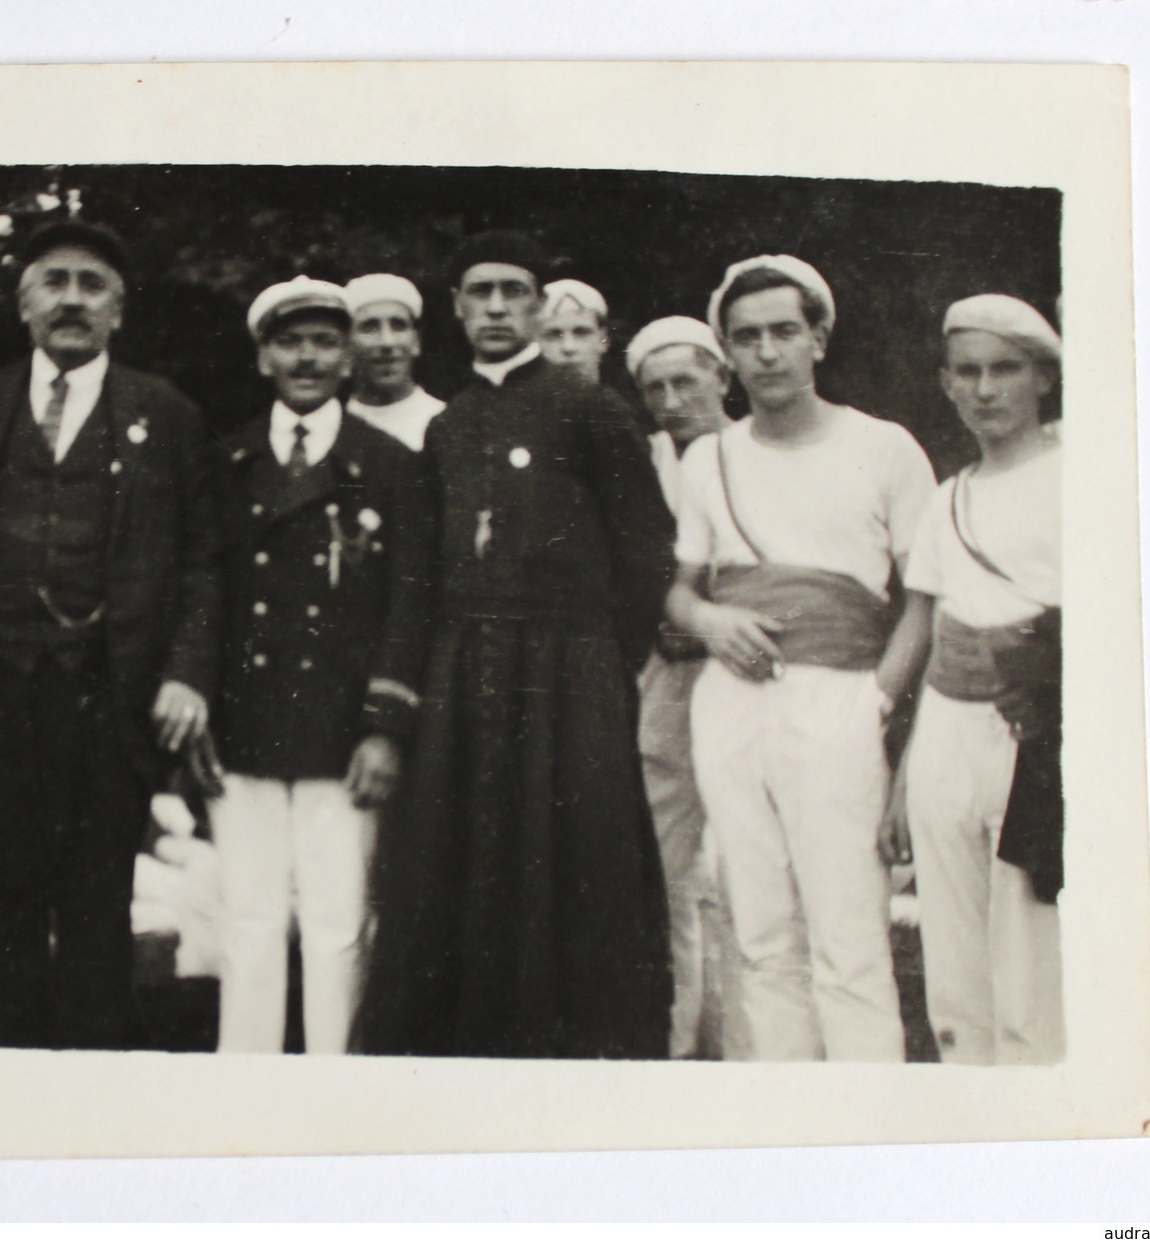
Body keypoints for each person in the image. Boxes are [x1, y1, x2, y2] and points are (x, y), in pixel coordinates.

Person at [0, 218, 223, 1050]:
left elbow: (203, 563)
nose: (73, 299)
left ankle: (92, 1088)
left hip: (109, 699)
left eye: (92, 284)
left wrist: (185, 673)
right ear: (24, 301)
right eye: (55, 281)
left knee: (97, 899)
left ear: (119, 310)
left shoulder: (165, 414)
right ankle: (6, 1078)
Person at [356, 230, 676, 1060]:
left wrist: (601, 661)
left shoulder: (592, 409)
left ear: (539, 306)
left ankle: (579, 1046)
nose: (496, 307)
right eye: (479, 293)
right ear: (457, 310)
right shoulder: (448, 427)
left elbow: (646, 551)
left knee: (573, 854)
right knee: (461, 857)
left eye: (513, 291)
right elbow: (419, 577)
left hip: (571, 672)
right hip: (463, 675)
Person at [666, 255, 937, 1061]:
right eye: (746, 338)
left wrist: (877, 702)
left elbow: (926, 597)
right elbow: (676, 592)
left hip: (839, 702)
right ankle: (784, 1130)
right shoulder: (705, 460)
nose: (767, 352)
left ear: (818, 338)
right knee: (759, 932)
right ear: (726, 354)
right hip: (729, 707)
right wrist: (712, 621)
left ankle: (867, 1133)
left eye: (784, 331)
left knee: (847, 938)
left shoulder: (883, 448)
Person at [207, 277, 437, 1054]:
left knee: (338, 924)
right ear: (262, 356)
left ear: (346, 359)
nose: (306, 357)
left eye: (323, 342)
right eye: (289, 341)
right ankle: (247, 1096)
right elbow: (202, 595)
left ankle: (336, 1091)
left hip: (341, 732)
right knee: (248, 919)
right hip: (242, 725)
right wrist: (197, 709)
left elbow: (409, 608)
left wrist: (384, 726)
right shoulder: (225, 461)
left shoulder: (390, 465)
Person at [887, 294, 1064, 1065]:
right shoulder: (944, 499)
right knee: (954, 962)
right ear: (947, 385)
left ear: (1042, 380)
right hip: (947, 732)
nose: (985, 390)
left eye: (1004, 369)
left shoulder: (1079, 476)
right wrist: (904, 772)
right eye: (968, 373)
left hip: (1036, 730)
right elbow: (927, 630)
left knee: (1029, 949)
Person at [624, 315, 739, 1059]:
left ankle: (747, 1046)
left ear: (721, 378)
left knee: (740, 868)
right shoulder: (642, 463)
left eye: (685, 381)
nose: (670, 400)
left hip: (749, 677)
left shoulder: (757, 452)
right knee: (665, 868)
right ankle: (672, 1042)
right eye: (654, 387)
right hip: (666, 676)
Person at [342, 273, 446, 452]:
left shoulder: (447, 421)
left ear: (416, 342)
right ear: (347, 345)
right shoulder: (331, 428)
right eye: (370, 327)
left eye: (398, 326)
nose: (387, 342)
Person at [537, 278, 611, 384]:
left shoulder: (618, 400)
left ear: (604, 340)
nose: (568, 347)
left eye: (581, 333)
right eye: (554, 335)